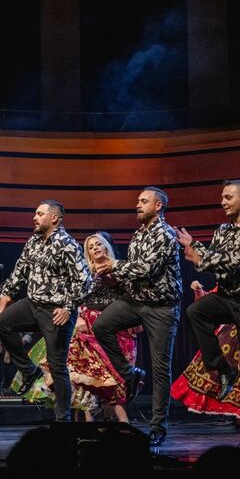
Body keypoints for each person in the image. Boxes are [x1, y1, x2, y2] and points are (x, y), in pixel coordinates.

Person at [177, 180, 240, 449]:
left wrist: (201, 258)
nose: (223, 202)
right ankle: (222, 369)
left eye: (228, 197)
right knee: (196, 311)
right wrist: (194, 246)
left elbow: (238, 262)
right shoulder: (222, 230)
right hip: (228, 296)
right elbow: (217, 261)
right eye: (222, 197)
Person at [93, 187, 182, 447]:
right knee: (102, 325)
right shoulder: (138, 235)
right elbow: (131, 275)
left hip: (161, 307)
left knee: (160, 368)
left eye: (143, 201)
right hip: (135, 301)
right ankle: (129, 373)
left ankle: (158, 426)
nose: (138, 205)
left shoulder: (165, 234)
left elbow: (146, 269)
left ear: (158, 206)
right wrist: (109, 277)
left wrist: (113, 264)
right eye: (138, 201)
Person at [0, 200, 91, 422]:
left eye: (39, 214)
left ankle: (62, 419)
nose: (34, 218)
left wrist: (68, 307)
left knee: (57, 366)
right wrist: (6, 295)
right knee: (1, 323)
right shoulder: (34, 241)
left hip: (56, 310)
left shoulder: (67, 244)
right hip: (32, 304)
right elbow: (20, 270)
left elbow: (85, 280)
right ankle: (30, 371)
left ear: (54, 218)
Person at [68, 232, 140, 422]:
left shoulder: (121, 267)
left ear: (106, 246)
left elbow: (133, 293)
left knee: (115, 373)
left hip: (117, 324)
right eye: (90, 247)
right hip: (89, 324)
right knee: (89, 372)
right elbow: (74, 297)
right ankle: (88, 420)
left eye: (98, 244)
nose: (95, 248)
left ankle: (123, 423)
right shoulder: (84, 272)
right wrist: (78, 318)